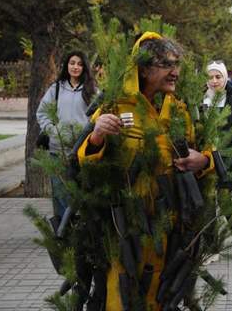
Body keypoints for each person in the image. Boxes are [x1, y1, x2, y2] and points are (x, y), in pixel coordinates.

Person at [78, 32, 214, 310]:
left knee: (160, 298)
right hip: (125, 227)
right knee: (122, 298)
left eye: (176, 64)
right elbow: (84, 164)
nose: (175, 72)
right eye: (167, 65)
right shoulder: (115, 106)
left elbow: (204, 154)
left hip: (168, 228)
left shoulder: (180, 110)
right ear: (143, 69)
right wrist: (97, 135)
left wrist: (203, 161)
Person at [36, 50, 97, 219]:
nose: (75, 67)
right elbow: (42, 113)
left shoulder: (92, 90)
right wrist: (53, 131)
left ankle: (81, 228)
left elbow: (98, 116)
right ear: (66, 66)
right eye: (72, 63)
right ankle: (65, 230)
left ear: (84, 67)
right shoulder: (56, 89)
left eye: (79, 64)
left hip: (82, 152)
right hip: (58, 151)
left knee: (81, 194)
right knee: (60, 194)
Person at [204, 61, 232, 238]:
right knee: (207, 201)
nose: (214, 81)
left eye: (218, 76)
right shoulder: (200, 97)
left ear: (224, 78)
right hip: (205, 159)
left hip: (227, 158)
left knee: (223, 199)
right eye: (210, 77)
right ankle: (210, 241)